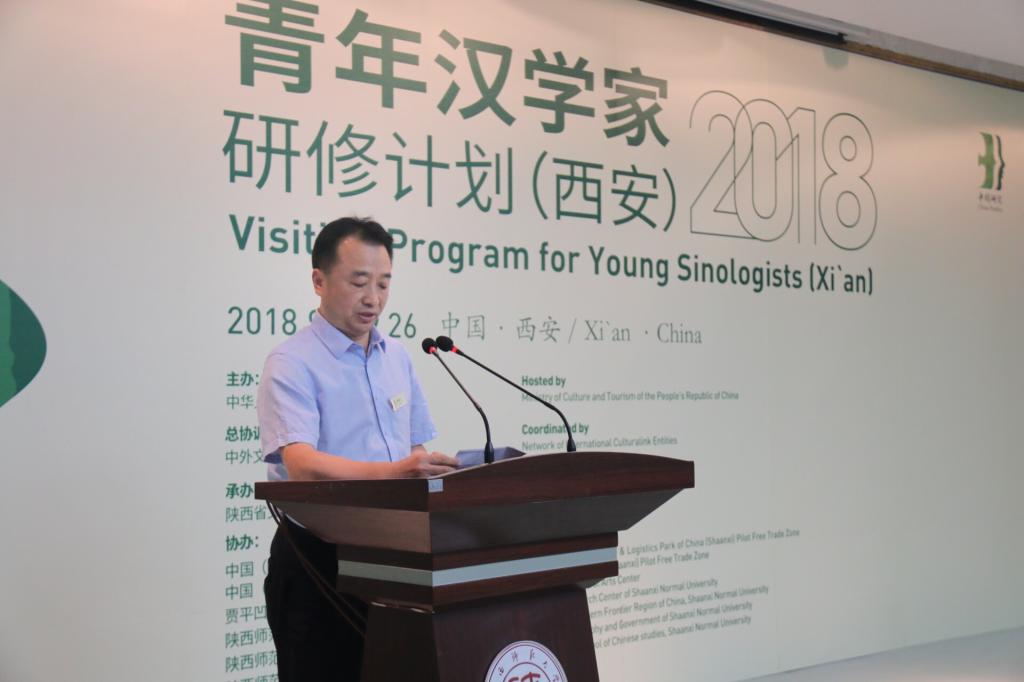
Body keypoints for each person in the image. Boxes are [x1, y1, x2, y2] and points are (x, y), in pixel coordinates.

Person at [256, 216, 458, 682]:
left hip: (397, 558)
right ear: (319, 281)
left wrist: (429, 470)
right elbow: (301, 465)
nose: (374, 299)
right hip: (318, 563)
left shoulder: (397, 357)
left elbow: (414, 448)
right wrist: (395, 473)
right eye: (359, 282)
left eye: (384, 284)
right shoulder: (292, 362)